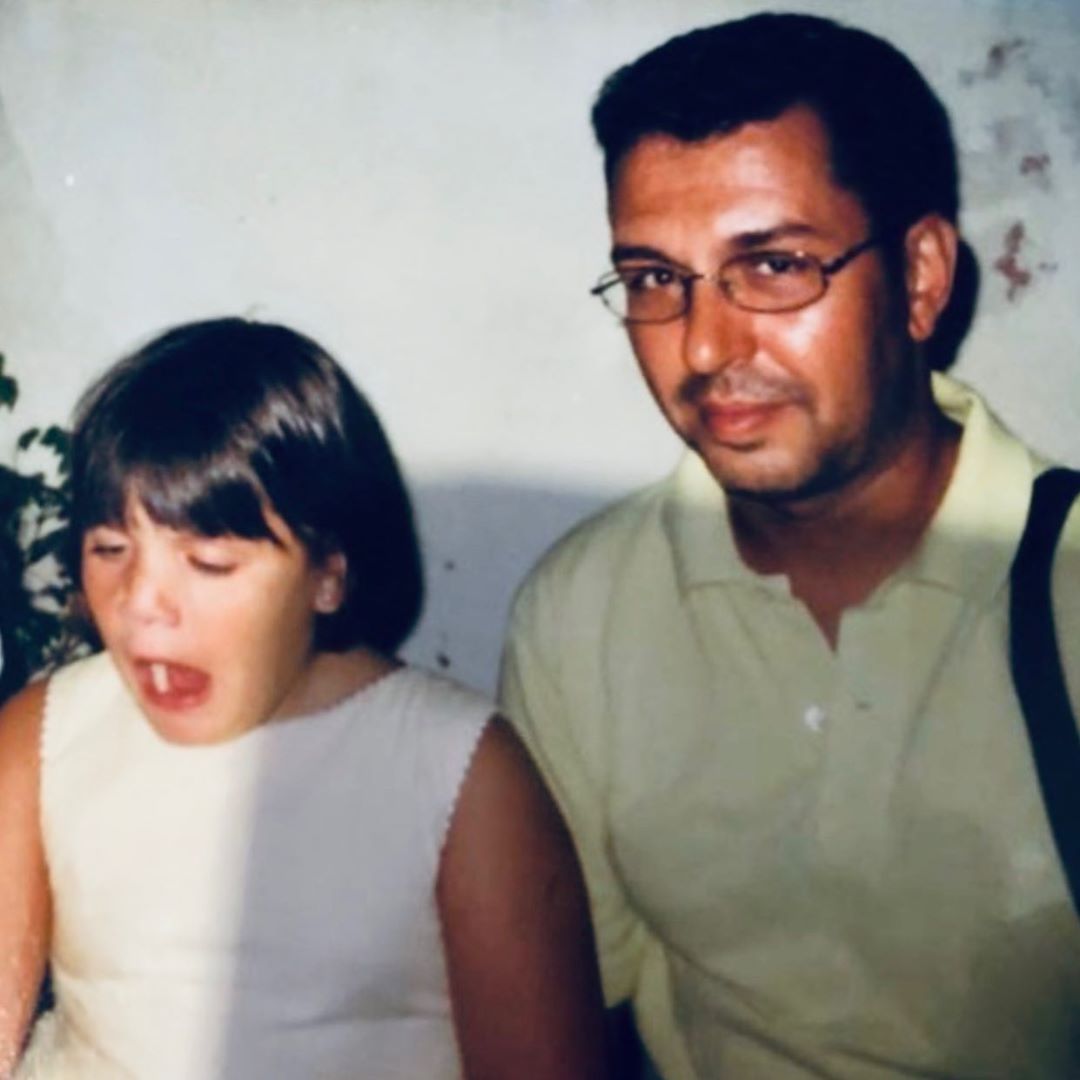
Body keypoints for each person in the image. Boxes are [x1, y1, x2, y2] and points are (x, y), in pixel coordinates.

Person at [499, 13, 1080, 1080]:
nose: (704, 345)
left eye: (772, 265)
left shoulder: (1067, 582)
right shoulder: (583, 608)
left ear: (920, 278)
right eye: (655, 278)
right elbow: (569, 1020)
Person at [0, 318, 611, 1080]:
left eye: (209, 561)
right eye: (110, 550)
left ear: (327, 574)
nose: (140, 605)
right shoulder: (46, 734)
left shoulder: (459, 772)